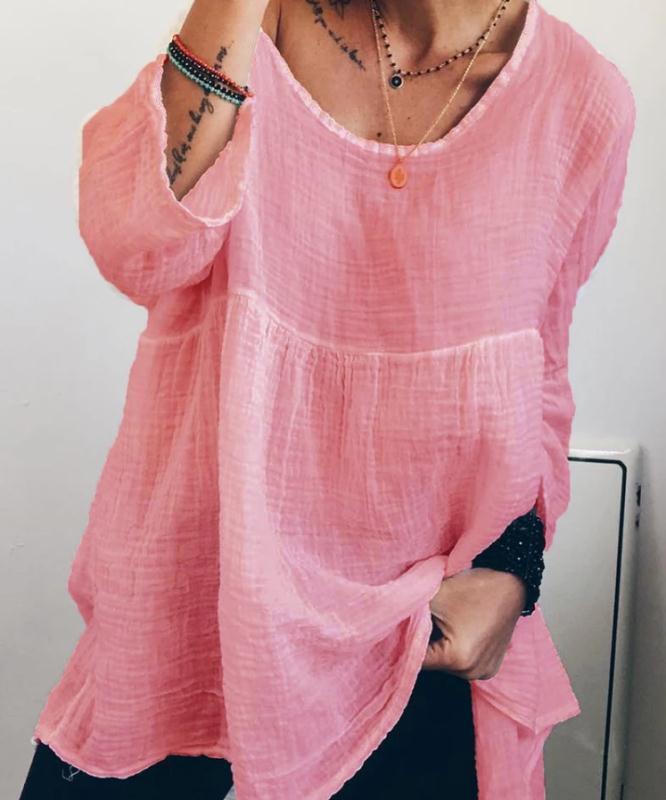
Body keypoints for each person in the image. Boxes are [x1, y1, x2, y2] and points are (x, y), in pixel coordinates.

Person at [20, 0, 635, 798]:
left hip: (416, 649)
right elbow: (135, 246)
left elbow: (541, 378)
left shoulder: (581, 101)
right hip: (189, 631)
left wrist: (515, 573)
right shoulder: (259, 29)